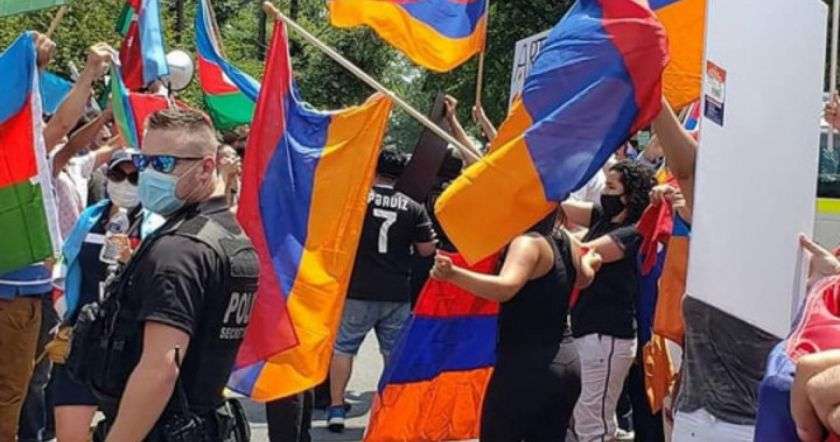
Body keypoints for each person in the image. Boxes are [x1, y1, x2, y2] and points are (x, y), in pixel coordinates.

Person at [65, 108, 258, 441]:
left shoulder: (180, 250)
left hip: (162, 428)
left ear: (206, 167)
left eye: (164, 164)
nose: (150, 174)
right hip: (203, 421)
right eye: (145, 162)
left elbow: (161, 367)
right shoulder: (226, 235)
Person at [0, 33, 110, 441]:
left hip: (34, 293)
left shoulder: (24, 160)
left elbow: (66, 136)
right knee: (10, 399)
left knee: (28, 389)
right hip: (12, 299)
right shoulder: (8, 158)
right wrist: (87, 73)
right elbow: (62, 127)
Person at [649, 98, 780, 441]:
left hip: (746, 428)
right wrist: (652, 94)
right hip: (692, 418)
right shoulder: (711, 242)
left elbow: (688, 171)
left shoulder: (787, 259)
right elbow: (686, 168)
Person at [430, 212, 601, 441]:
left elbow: (506, 287)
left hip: (526, 368)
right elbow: (584, 278)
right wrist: (590, 262)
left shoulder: (528, 243)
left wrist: (453, 274)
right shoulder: (564, 238)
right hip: (565, 362)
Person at [327, 148, 437, 432]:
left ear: (374, 169)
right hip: (396, 290)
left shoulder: (356, 202)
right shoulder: (413, 207)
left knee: (343, 348)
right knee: (392, 351)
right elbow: (427, 250)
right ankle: (391, 408)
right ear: (401, 174)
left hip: (358, 289)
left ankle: (336, 408)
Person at [45, 151, 142, 442]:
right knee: (70, 435)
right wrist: (63, 307)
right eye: (117, 175)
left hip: (128, 345)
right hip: (82, 338)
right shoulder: (90, 218)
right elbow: (67, 264)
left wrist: (133, 260)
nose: (124, 183)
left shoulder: (154, 224)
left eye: (134, 178)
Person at [561, 159, 655, 442]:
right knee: (583, 413)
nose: (605, 193)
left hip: (608, 334)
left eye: (612, 188)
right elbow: (560, 207)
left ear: (629, 195)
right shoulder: (603, 217)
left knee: (592, 421)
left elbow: (586, 252)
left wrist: (554, 234)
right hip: (587, 329)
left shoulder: (633, 232)